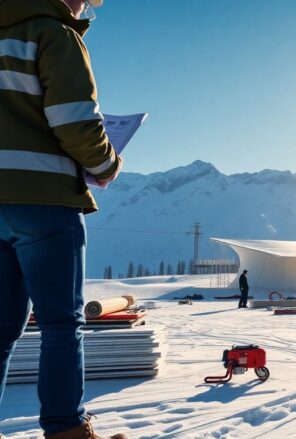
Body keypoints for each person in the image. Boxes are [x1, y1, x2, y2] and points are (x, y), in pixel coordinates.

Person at [0, 1, 128, 438]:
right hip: (44, 201)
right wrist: (107, 165)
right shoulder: (53, 33)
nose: (86, 5)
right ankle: (66, 429)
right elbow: (75, 122)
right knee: (59, 322)